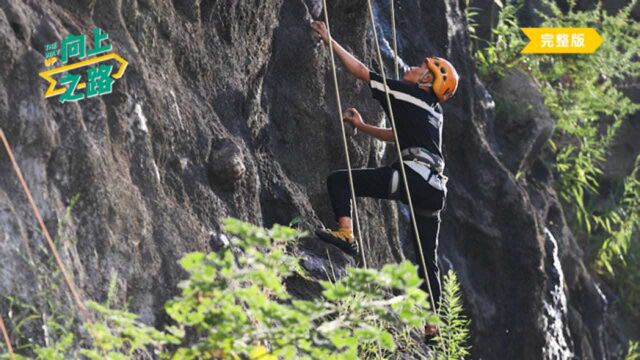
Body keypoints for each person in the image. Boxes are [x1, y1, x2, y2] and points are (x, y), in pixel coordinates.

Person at [310, 20, 459, 339]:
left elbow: (362, 72)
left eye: (423, 68)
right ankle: (433, 323)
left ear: (426, 82)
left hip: (412, 178)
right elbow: (399, 134)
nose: (416, 67)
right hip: (433, 189)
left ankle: (346, 235)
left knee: (339, 182)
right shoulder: (434, 112)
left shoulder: (408, 93)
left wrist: (329, 40)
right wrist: (363, 128)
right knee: (426, 258)